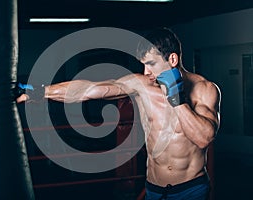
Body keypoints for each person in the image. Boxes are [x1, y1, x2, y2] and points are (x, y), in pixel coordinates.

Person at [16, 27, 221, 200]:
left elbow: (203, 138)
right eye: (143, 64)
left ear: (173, 59)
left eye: (150, 64)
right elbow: (90, 90)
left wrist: (177, 101)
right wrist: (39, 92)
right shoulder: (142, 85)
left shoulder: (205, 90)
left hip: (190, 190)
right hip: (154, 189)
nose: (145, 72)